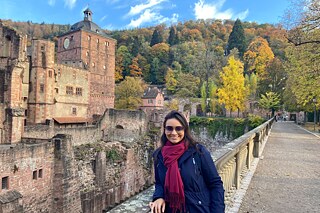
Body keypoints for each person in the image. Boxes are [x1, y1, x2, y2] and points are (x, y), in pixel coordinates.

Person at [149, 110, 225, 213]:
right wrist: (158, 197)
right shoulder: (159, 155)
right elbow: (159, 183)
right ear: (164, 130)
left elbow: (215, 184)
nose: (174, 133)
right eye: (169, 128)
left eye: (178, 128)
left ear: (185, 129)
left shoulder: (198, 152)